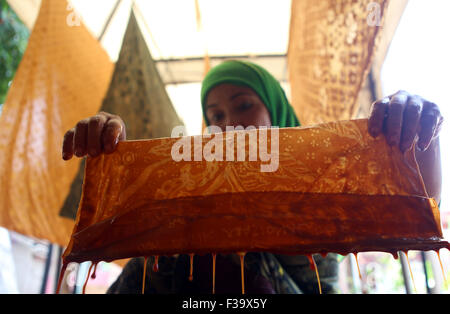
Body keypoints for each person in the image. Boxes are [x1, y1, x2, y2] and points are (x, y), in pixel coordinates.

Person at [61, 60, 443, 294]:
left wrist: (414, 133)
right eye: (216, 116)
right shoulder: (193, 182)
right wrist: (114, 157)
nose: (229, 123)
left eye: (244, 105)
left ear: (274, 108)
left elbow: (418, 201)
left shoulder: (323, 172)